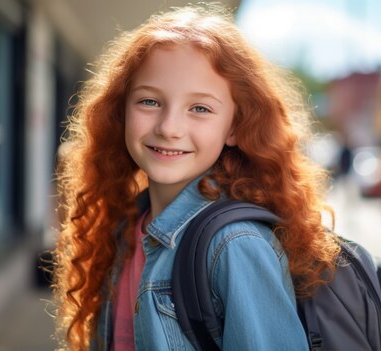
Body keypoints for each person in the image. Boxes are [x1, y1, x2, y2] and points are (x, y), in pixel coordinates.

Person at [52, 4, 341, 351]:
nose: (169, 127)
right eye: (148, 101)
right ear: (121, 110)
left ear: (235, 126)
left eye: (200, 108)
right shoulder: (125, 226)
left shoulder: (236, 246)